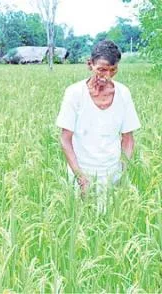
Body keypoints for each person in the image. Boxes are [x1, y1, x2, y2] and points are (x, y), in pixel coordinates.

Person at [55, 39, 140, 214]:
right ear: (90, 64)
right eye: (101, 69)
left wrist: (123, 173)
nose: (106, 75)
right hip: (81, 173)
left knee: (110, 222)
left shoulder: (123, 93)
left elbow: (128, 139)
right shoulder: (75, 93)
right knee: (81, 222)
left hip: (111, 173)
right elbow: (65, 140)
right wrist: (81, 178)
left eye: (113, 70)